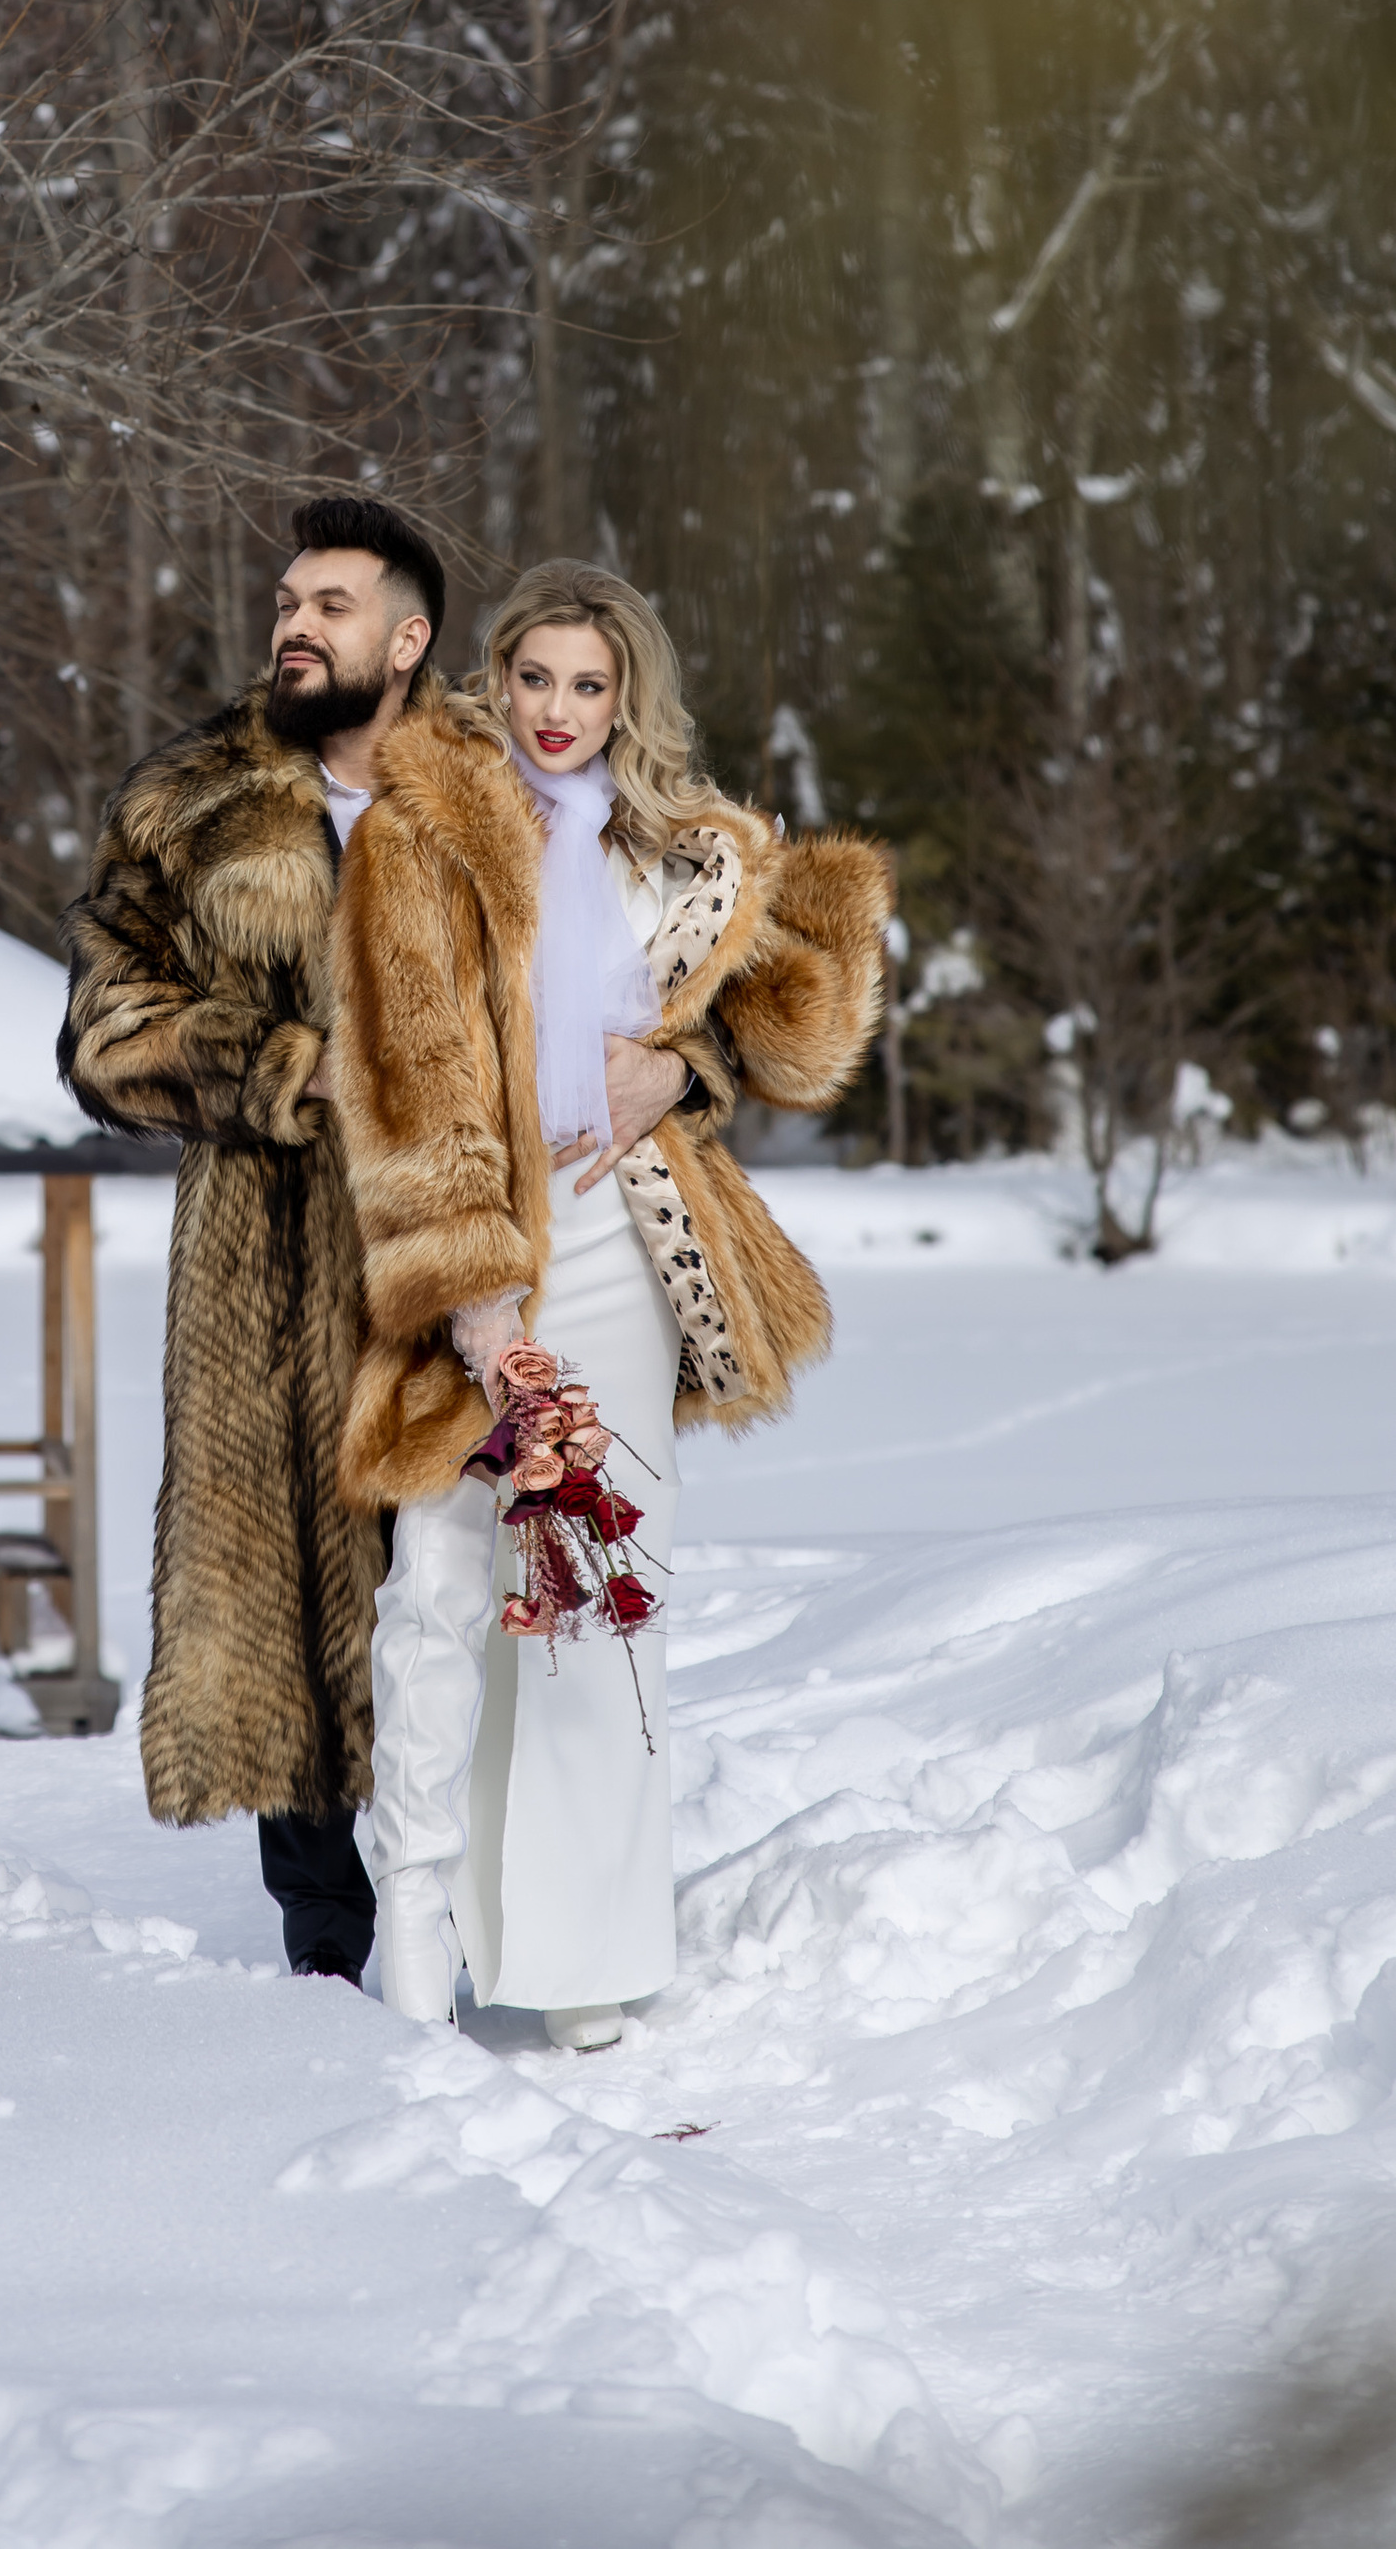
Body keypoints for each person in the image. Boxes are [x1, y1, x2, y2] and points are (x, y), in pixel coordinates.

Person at [326, 560, 885, 2042]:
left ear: (625, 694)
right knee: (444, 1602)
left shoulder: (682, 855)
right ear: (493, 680)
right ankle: (417, 1939)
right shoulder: (424, 834)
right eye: (535, 680)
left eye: (590, 684)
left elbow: (806, 1034)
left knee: (596, 1614)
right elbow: (407, 1077)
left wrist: (682, 1071)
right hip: (472, 1265)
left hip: (627, 1264)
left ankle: (579, 1955)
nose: (559, 712)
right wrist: (473, 1297)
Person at [57, 491, 447, 1982]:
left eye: (332, 604)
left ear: (406, 638)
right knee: (289, 1594)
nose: (295, 623)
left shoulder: (496, 790)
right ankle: (331, 1956)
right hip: (265, 1267)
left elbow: (646, 966)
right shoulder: (191, 802)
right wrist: (291, 1068)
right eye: (287, 600)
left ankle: (488, 1909)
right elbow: (105, 1031)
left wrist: (671, 1065)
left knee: (465, 1594)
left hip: (460, 1266)